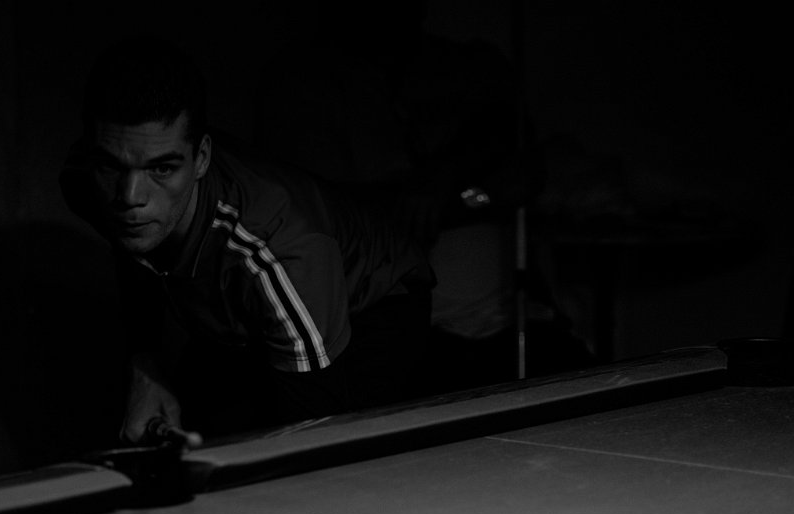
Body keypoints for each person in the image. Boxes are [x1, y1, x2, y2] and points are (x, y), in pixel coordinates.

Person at [59, 36, 434, 445]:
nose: (131, 197)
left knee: (318, 455)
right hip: (244, 313)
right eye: (113, 166)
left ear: (201, 159)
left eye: (162, 169)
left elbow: (314, 436)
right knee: (193, 433)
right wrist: (145, 367)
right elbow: (135, 251)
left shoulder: (278, 253)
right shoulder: (86, 184)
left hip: (375, 301)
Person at [253, 2, 594, 392]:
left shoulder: (468, 65)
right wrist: (452, 199)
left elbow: (521, 170)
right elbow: (317, 210)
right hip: (389, 336)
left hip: (509, 324)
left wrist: (451, 186)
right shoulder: (305, 82)